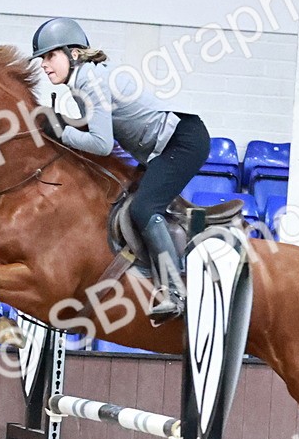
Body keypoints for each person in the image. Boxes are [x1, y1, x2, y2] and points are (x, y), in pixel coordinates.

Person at [30, 16, 210, 320]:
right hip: (166, 146)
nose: (44, 65)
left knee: (144, 208)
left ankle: (175, 291)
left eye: (50, 56)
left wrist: (61, 131)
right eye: (42, 59)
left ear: (74, 53)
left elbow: (102, 144)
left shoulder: (90, 82)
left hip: (183, 142)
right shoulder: (82, 81)